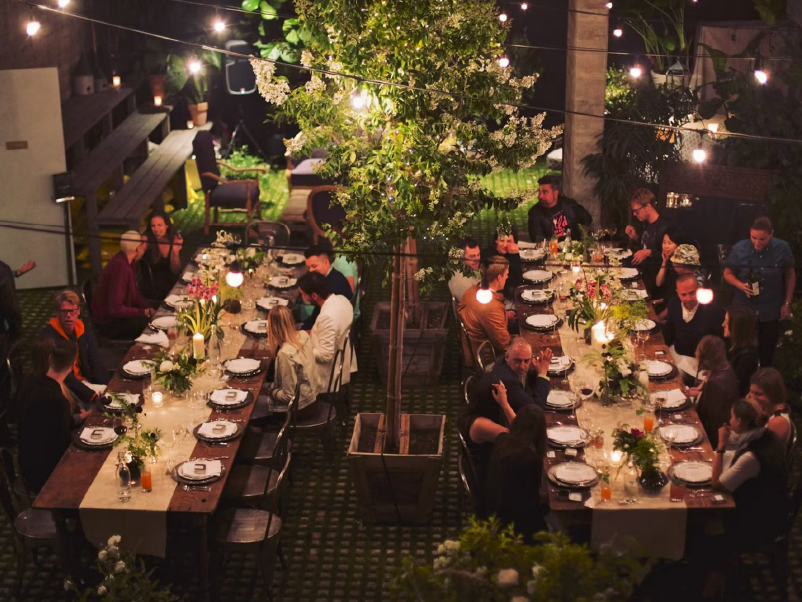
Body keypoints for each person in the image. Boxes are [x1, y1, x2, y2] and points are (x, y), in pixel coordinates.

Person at [712, 399, 787, 549]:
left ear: (739, 421)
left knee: (704, 517)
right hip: (771, 509)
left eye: (732, 417)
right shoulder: (766, 435)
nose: (729, 421)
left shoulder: (751, 457)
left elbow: (716, 484)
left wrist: (721, 446)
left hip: (756, 522)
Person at [724, 216, 796, 367]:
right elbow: (727, 274)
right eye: (753, 237)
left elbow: (790, 274)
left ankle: (762, 385)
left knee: (766, 353)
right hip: (744, 308)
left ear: (771, 234)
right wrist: (741, 285)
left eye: (762, 239)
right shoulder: (739, 248)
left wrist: (787, 303)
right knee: (740, 352)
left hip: (770, 309)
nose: (757, 243)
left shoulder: (782, 248)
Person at [17, 340, 76, 493]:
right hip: (46, 477)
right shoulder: (57, 400)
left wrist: (85, 415)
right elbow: (63, 449)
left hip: (27, 466)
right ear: (72, 366)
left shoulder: (30, 382)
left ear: (50, 360)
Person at [484, 404, 548, 543]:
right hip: (516, 525)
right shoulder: (531, 460)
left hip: (491, 511)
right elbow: (535, 498)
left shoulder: (502, 440)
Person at [457, 378, 518, 508]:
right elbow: (521, 434)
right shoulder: (481, 425)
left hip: (491, 467)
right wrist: (505, 404)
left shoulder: (473, 411)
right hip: (490, 480)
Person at [41, 290, 108, 407]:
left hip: (84, 380)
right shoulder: (49, 337)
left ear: (78, 311)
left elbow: (95, 360)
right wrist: (92, 395)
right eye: (64, 312)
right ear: (57, 313)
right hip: (65, 386)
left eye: (72, 311)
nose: (68, 316)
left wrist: (107, 385)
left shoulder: (82, 328)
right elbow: (64, 376)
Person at [91, 231, 157, 339]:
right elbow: (115, 309)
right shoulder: (121, 268)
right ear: (137, 249)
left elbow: (134, 294)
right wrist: (144, 312)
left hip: (121, 314)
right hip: (111, 323)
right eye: (141, 245)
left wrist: (148, 308)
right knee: (153, 326)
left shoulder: (128, 261)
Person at [298, 272, 356, 392]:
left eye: (304, 295)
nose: (303, 298)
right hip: (343, 359)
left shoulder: (327, 317)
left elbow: (325, 355)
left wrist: (299, 349)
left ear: (314, 296)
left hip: (327, 375)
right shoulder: (342, 299)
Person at [662, 273, 725, 381]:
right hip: (677, 355)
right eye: (684, 295)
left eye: (692, 293)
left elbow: (719, 344)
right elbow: (670, 332)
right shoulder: (674, 304)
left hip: (700, 364)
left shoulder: (714, 311)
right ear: (678, 293)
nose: (689, 298)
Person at [263, 305, 322, 414]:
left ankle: (264, 428)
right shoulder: (303, 335)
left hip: (301, 409)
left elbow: (289, 397)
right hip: (314, 397)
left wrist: (272, 392)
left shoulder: (284, 354)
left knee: (256, 402)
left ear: (272, 327)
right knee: (263, 389)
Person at [686, 336, 739, 449]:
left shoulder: (715, 384)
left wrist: (698, 396)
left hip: (712, 440)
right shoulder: (726, 368)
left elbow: (708, 419)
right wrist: (701, 391)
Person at [458, 256, 510, 368]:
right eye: (506, 275)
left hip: (471, 351)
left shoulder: (472, 290)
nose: (507, 277)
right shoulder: (491, 308)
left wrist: (505, 316)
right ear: (499, 277)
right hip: (486, 360)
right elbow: (504, 345)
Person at [0, 258, 35, 412]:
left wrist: (16, 273)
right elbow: (11, 307)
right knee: (4, 374)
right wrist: (16, 331)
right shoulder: (2, 271)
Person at [489, 337, 552, 411]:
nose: (522, 366)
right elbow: (536, 409)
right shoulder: (509, 382)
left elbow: (530, 378)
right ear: (507, 356)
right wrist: (542, 374)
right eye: (517, 361)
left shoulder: (506, 359)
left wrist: (539, 370)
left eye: (526, 361)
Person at [301, 246, 353, 330]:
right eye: (309, 267)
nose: (310, 270)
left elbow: (318, 318)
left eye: (314, 266)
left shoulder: (332, 287)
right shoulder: (333, 275)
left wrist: (301, 328)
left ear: (326, 262)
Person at [528, 175, 593, 242]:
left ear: (556, 194)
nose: (540, 196)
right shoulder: (534, 213)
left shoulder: (570, 205)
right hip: (551, 250)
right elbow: (538, 239)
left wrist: (583, 237)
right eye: (539, 192)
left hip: (573, 249)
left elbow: (587, 219)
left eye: (545, 192)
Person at [748, 368, 793, 452]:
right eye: (751, 391)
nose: (752, 398)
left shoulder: (777, 422)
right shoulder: (766, 410)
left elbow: (760, 454)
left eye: (758, 394)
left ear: (773, 394)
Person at [141, 211, 183, 300]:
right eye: (153, 226)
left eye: (159, 225)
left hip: (171, 284)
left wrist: (175, 252)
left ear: (166, 226)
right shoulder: (147, 240)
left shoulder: (172, 240)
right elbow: (135, 259)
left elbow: (176, 270)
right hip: (153, 288)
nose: (156, 229)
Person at [723, 306, 759, 397]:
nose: (723, 324)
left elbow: (736, 389)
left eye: (727, 322)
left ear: (736, 326)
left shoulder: (747, 358)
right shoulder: (730, 344)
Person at [482, 227, 522, 297]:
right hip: (493, 296)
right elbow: (514, 281)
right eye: (502, 240)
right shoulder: (489, 256)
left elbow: (518, 278)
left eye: (509, 241)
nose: (505, 245)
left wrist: (514, 255)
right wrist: (515, 257)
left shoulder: (511, 252)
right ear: (496, 241)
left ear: (515, 243)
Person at [449, 238, 482, 302]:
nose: (477, 259)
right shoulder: (460, 279)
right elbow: (475, 305)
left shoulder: (471, 269)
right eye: (472, 257)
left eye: (478, 255)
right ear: (462, 258)